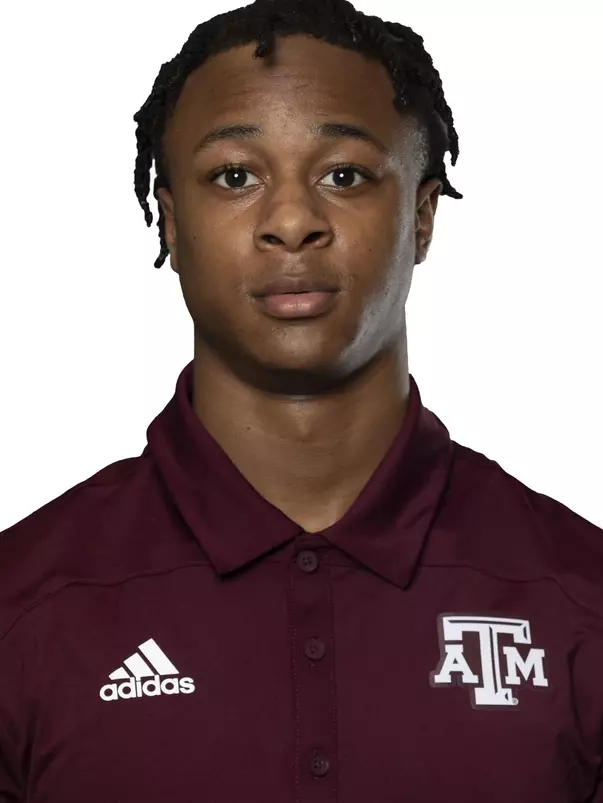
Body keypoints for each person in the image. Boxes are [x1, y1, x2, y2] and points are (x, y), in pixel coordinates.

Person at [1, 0, 602, 800]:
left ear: (421, 216)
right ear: (170, 222)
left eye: (343, 175)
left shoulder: (578, 597)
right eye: (235, 177)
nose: (291, 221)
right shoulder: (23, 604)